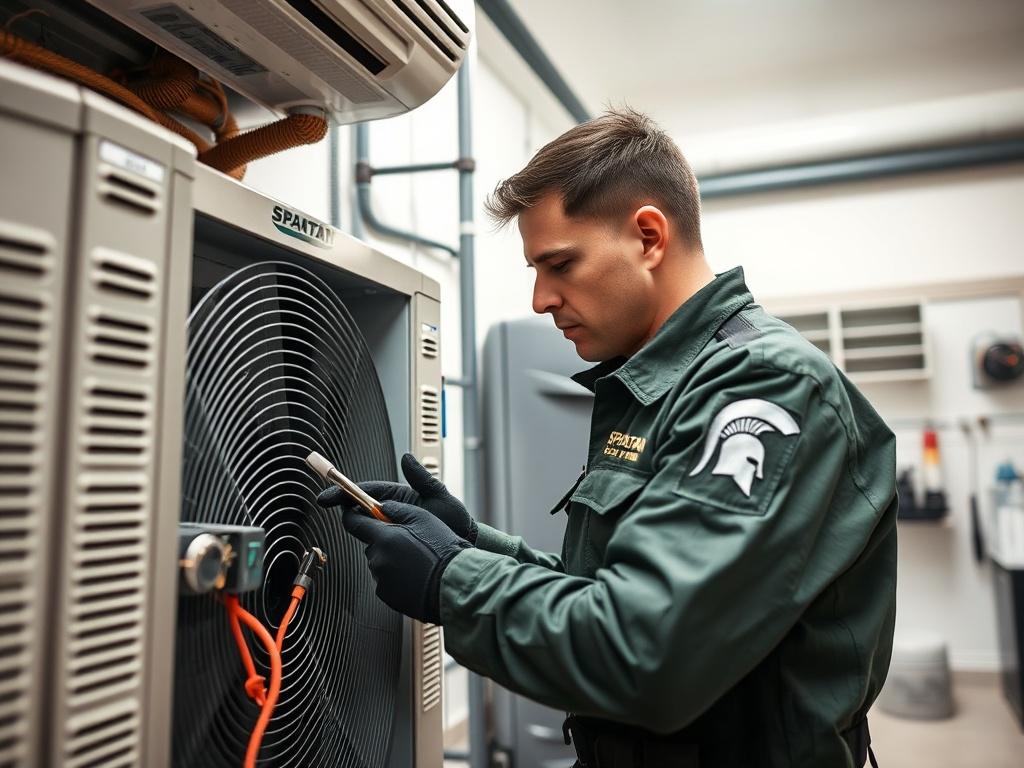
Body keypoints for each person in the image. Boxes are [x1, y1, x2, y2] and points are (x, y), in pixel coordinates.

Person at [319, 108, 896, 768]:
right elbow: (613, 594)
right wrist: (472, 543)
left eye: (559, 264)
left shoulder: (761, 389)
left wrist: (452, 579)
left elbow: (648, 651)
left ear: (648, 237)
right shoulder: (662, 384)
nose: (541, 298)